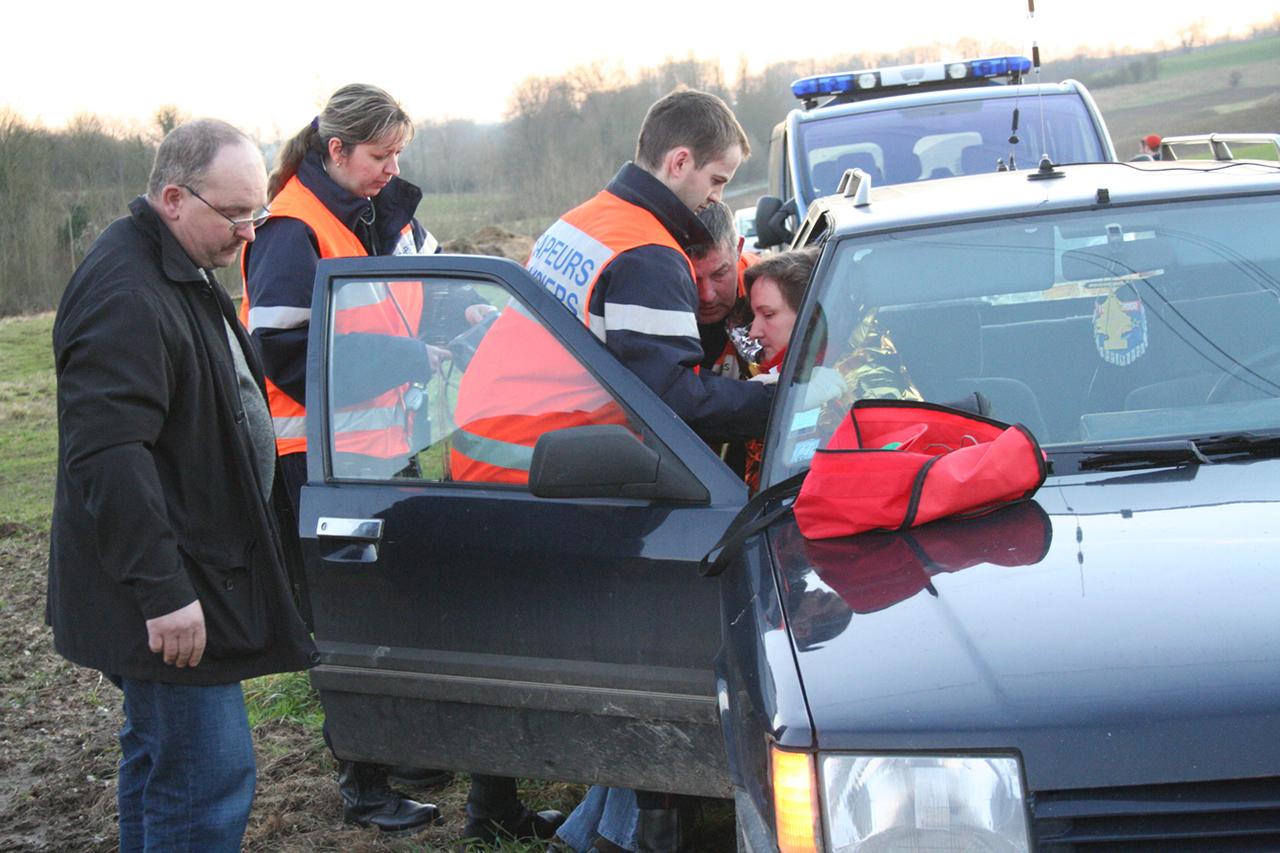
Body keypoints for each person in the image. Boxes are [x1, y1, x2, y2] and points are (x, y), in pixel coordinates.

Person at [241, 83, 558, 843]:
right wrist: (409, 356)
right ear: (336, 150)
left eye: (399, 156)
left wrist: (466, 310)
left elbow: (425, 286)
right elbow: (284, 352)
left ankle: (413, 761)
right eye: (380, 156)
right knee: (351, 622)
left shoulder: (385, 214)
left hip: (389, 447)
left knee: (411, 611)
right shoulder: (291, 229)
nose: (391, 169)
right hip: (317, 459)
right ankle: (365, 782)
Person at [48, 118, 317, 852]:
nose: (248, 234)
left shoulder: (176, 264)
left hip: (190, 572)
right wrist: (163, 591)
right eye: (234, 215)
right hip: (165, 590)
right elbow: (107, 454)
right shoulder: (124, 291)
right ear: (174, 196)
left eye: (256, 213)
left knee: (161, 760)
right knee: (206, 774)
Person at [545, 91, 782, 853]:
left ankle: (596, 831)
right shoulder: (648, 251)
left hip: (518, 459)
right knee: (653, 663)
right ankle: (630, 834)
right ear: (678, 161)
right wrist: (770, 401)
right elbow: (671, 396)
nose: (719, 198)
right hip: (572, 472)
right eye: (716, 181)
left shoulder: (584, 222)